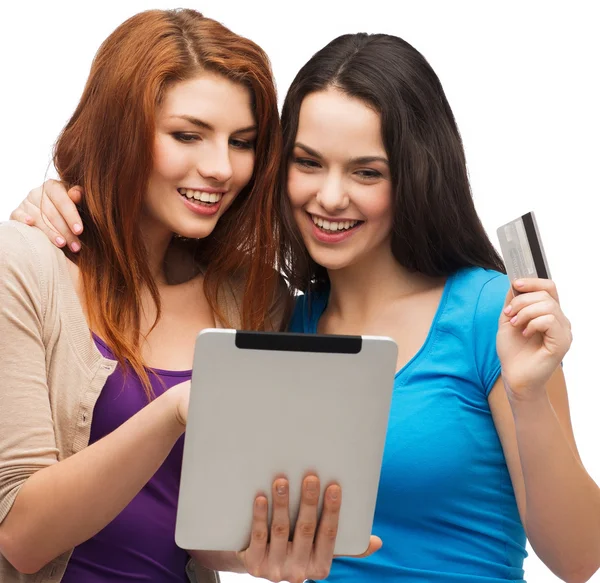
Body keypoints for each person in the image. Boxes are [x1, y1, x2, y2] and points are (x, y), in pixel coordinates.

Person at [12, 30, 600, 583]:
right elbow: (210, 528)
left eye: (367, 172)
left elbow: (578, 560)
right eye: (309, 162)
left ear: (417, 176)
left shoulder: (490, 314)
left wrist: (527, 397)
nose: (330, 196)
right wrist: (64, 200)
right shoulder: (273, 322)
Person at [0, 10, 381, 583]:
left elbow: (188, 534)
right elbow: (22, 538)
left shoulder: (253, 299)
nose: (221, 168)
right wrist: (173, 411)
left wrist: (252, 554)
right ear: (120, 129)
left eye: (243, 142)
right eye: (187, 135)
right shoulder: (26, 266)